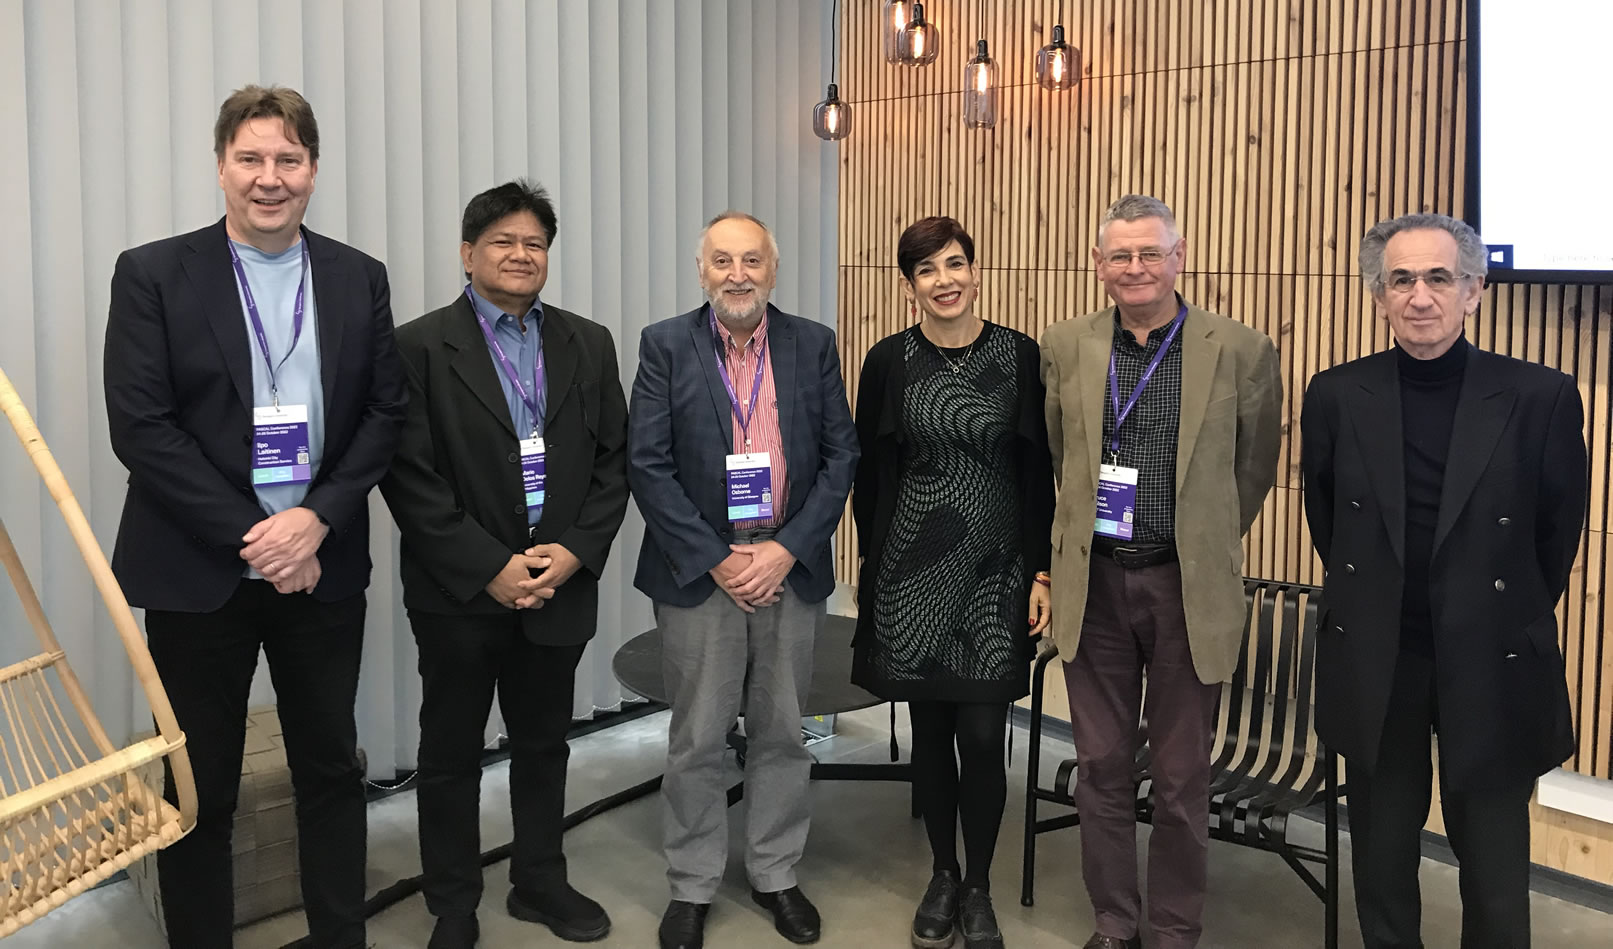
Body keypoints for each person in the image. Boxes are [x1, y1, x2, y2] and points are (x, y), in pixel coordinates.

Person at [102, 85, 406, 948]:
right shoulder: (153, 273)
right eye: (250, 158)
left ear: (313, 169)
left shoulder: (357, 276)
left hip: (321, 569)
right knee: (200, 791)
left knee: (329, 773)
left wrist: (315, 521)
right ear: (221, 166)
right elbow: (142, 427)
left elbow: (383, 413)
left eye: (288, 159)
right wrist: (260, 537)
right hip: (198, 575)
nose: (269, 178)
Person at [1300, 213, 1586, 949]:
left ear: (1473, 291)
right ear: (1379, 296)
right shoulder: (1336, 394)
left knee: (1494, 871)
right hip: (1380, 658)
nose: (1419, 296)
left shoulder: (1539, 396)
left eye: (1438, 277)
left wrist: (1495, 610)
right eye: (1400, 280)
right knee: (1381, 860)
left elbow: (1554, 535)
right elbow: (1330, 525)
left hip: (1491, 657)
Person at [379, 180, 630, 948]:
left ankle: (539, 880)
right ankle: (453, 903)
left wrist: (574, 551)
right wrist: (489, 564)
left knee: (544, 744)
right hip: (457, 592)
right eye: (502, 242)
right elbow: (408, 475)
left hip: (558, 585)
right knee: (449, 754)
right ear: (467, 253)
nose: (521, 254)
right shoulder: (418, 346)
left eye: (534, 243)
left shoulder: (588, 342)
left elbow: (613, 461)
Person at [1039, 195, 1283, 949]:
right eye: (1120, 254)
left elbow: (1252, 470)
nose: (1136, 267)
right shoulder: (1064, 346)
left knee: (1180, 777)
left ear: (1179, 257)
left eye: (1150, 252)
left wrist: (1202, 543)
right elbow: (1060, 457)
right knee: (1100, 765)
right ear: (1097, 265)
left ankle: (1174, 928)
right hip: (1095, 586)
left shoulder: (1239, 349)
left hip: (1185, 589)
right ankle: (1114, 922)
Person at [627, 211, 859, 949]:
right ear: (702, 270)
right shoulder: (665, 344)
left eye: (751, 260)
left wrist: (786, 549)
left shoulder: (811, 344)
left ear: (772, 270)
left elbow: (841, 457)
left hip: (787, 567)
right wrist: (718, 558)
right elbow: (647, 464)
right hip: (702, 573)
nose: (737, 274)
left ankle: (773, 871)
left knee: (783, 732)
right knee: (697, 736)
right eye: (722, 260)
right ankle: (692, 883)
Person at [851, 216, 1054, 949]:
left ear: (974, 270)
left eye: (955, 263)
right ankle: (942, 872)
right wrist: (872, 569)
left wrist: (1041, 569)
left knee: (983, 729)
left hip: (997, 570)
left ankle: (979, 886)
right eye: (927, 269)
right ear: (910, 285)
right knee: (932, 731)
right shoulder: (888, 360)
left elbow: (1039, 472)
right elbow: (870, 475)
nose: (944, 280)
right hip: (912, 569)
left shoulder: (1019, 354)